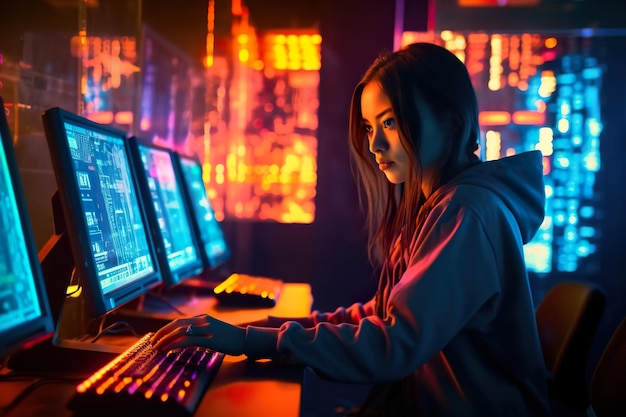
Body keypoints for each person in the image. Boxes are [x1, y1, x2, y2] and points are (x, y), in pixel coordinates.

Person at [151, 42, 551, 416]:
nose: (375, 144)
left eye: (390, 122)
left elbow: (394, 344)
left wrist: (254, 342)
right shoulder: (442, 205)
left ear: (450, 123)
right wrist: (257, 332)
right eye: (369, 126)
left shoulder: (466, 212)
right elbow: (379, 316)